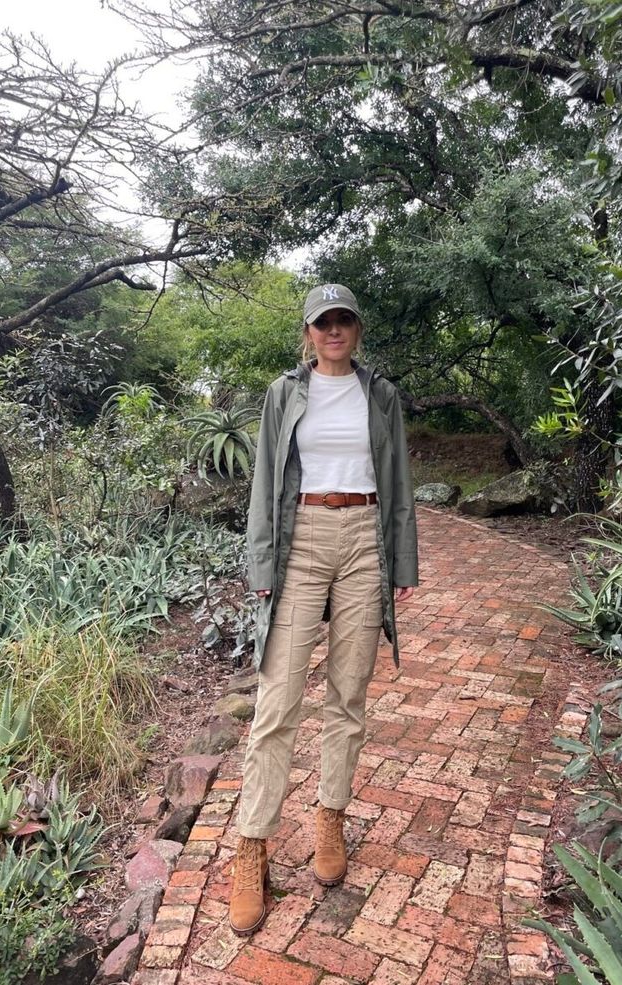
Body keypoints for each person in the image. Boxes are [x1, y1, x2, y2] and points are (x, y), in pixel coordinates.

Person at [229, 283, 418, 936]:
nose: (333, 330)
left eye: (343, 320)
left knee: (347, 696)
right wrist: (261, 565)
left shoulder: (381, 395)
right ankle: (251, 844)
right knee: (278, 698)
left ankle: (329, 819)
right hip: (300, 540)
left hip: (365, 538)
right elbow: (262, 484)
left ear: (356, 328)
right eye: (322, 322)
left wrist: (404, 561)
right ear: (307, 332)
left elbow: (397, 484)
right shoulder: (285, 394)